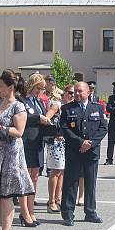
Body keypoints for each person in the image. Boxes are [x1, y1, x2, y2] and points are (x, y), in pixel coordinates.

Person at [0, 70, 36, 230]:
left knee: (6, 195)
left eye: (1, 86)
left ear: (11, 87)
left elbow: (18, 132)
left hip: (11, 155)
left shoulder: (18, 106)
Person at [59, 81, 107, 226]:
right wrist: (80, 142)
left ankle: (90, 212)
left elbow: (103, 128)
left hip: (91, 152)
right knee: (70, 182)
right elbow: (64, 128)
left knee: (90, 182)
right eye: (75, 91)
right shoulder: (67, 108)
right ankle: (68, 213)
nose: (77, 94)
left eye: (80, 91)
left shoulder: (98, 108)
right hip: (74, 150)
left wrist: (90, 143)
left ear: (88, 92)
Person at [16, 73, 52, 226]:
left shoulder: (38, 101)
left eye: (42, 89)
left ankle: (31, 210)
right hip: (26, 142)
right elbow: (23, 117)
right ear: (31, 85)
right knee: (25, 178)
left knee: (35, 178)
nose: (40, 92)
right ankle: (24, 212)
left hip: (37, 142)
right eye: (38, 88)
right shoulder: (21, 100)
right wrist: (39, 118)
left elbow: (41, 117)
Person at [45, 84, 71, 213]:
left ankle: (58, 198)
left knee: (62, 172)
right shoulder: (58, 105)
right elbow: (46, 118)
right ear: (64, 93)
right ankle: (51, 201)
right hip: (55, 142)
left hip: (65, 143)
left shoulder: (70, 108)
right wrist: (56, 133)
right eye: (70, 93)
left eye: (74, 93)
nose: (72, 95)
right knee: (55, 172)